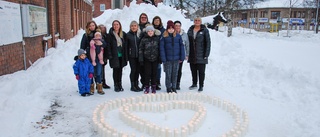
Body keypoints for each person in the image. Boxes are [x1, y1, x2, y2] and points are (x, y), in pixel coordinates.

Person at [80, 20, 106, 95]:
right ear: (88, 27)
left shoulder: (98, 34)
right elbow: (82, 46)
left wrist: (101, 43)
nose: (92, 27)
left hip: (98, 57)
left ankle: (99, 87)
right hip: (88, 57)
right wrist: (82, 55)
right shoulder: (85, 35)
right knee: (90, 73)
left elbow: (104, 44)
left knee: (98, 72)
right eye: (90, 26)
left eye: (93, 25)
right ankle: (91, 88)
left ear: (95, 26)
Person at [160, 20, 185, 93]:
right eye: (169, 28)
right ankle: (168, 87)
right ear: (167, 29)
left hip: (176, 59)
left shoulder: (178, 36)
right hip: (168, 59)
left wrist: (182, 57)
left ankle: (174, 87)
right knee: (168, 74)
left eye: (172, 28)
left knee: (175, 74)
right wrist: (163, 59)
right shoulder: (164, 37)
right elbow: (162, 49)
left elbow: (181, 47)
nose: (171, 30)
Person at [187, 17, 211, 92]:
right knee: (193, 70)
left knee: (201, 71)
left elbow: (208, 42)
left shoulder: (205, 30)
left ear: (201, 22)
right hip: (192, 54)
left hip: (201, 54)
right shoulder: (190, 30)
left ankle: (201, 85)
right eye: (195, 20)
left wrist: (206, 54)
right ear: (194, 21)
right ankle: (194, 83)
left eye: (198, 20)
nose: (197, 21)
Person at [139, 25, 160, 94]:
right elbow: (141, 49)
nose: (150, 32)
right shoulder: (144, 39)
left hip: (155, 59)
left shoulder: (157, 38)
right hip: (146, 59)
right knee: (147, 73)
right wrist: (141, 59)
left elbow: (159, 49)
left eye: (151, 31)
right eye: (149, 31)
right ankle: (147, 86)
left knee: (154, 73)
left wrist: (159, 57)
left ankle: (154, 86)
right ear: (147, 32)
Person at [107, 20, 128, 92]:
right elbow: (108, 46)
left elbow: (126, 45)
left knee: (120, 71)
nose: (116, 26)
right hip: (114, 55)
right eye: (114, 25)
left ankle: (120, 84)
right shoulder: (110, 35)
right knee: (115, 70)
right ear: (112, 26)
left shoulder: (123, 34)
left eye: (117, 24)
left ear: (120, 26)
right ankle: (116, 85)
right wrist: (109, 55)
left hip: (121, 55)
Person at [126, 21, 142, 92]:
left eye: (135, 26)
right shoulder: (128, 35)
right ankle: (132, 85)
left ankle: (136, 84)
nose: (133, 27)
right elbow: (126, 47)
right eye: (132, 26)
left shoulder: (140, 34)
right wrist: (127, 56)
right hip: (131, 55)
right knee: (133, 70)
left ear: (137, 27)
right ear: (130, 27)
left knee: (138, 71)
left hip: (139, 56)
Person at [174, 20, 190, 90]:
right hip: (172, 55)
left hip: (181, 55)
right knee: (172, 70)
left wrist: (187, 54)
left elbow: (187, 45)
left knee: (179, 70)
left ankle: (177, 83)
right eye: (176, 26)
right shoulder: (171, 33)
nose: (177, 27)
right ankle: (172, 83)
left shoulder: (184, 34)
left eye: (179, 26)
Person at [152, 16, 165, 90]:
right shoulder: (151, 29)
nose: (156, 22)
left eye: (158, 20)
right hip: (151, 51)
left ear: (160, 21)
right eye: (155, 20)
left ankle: (157, 81)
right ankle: (152, 81)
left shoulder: (163, 30)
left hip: (160, 50)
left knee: (158, 67)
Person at [138, 13, 149, 89]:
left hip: (149, 51)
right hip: (141, 51)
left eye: (145, 17)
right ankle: (143, 83)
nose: (144, 18)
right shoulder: (137, 27)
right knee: (141, 69)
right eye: (142, 17)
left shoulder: (150, 26)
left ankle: (149, 83)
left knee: (149, 69)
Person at [98, 24, 111, 89]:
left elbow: (107, 45)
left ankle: (103, 82)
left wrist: (108, 55)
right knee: (98, 70)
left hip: (104, 55)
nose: (102, 30)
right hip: (97, 55)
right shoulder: (97, 36)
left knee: (102, 69)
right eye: (101, 28)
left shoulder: (106, 36)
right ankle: (99, 83)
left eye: (104, 28)